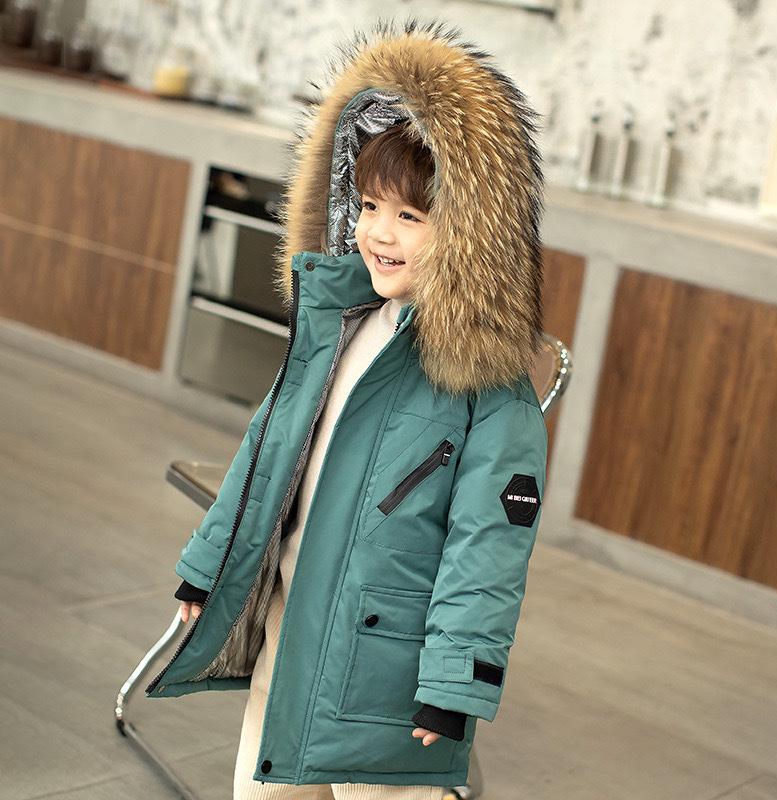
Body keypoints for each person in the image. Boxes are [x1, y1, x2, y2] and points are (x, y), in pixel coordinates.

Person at [147, 17, 548, 799]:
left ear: (471, 236)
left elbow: (488, 546)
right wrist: (207, 568)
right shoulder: (342, 327)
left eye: (411, 216)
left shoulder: (489, 388)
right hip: (290, 628)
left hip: (385, 669)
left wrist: (457, 679)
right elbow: (267, 454)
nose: (377, 233)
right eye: (367, 205)